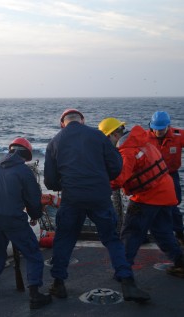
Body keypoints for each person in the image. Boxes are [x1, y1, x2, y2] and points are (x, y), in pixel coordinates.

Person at [44, 109, 150, 303]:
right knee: (111, 239)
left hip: (72, 199)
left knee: (64, 239)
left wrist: (65, 184)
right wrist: (100, 179)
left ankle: (58, 284)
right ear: (83, 121)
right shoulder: (97, 136)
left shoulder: (54, 143)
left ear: (62, 123)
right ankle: (128, 284)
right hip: (99, 197)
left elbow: (50, 182)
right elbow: (116, 167)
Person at [98, 118, 184, 278]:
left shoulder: (127, 151)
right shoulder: (143, 140)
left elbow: (119, 180)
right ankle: (181, 263)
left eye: (105, 138)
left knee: (131, 232)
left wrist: (98, 185)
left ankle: (123, 269)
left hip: (147, 197)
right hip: (166, 193)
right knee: (163, 232)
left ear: (114, 135)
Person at [0, 137, 52, 309]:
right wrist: (35, 214)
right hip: (13, 219)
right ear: (25, 155)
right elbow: (33, 199)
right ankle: (35, 295)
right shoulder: (24, 171)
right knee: (33, 253)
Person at [146, 111, 184, 245]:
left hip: (170, 174)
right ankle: (146, 234)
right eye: (155, 129)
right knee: (148, 205)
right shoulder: (144, 137)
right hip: (152, 177)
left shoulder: (178, 135)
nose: (158, 132)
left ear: (168, 126)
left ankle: (179, 233)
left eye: (161, 129)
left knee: (173, 204)